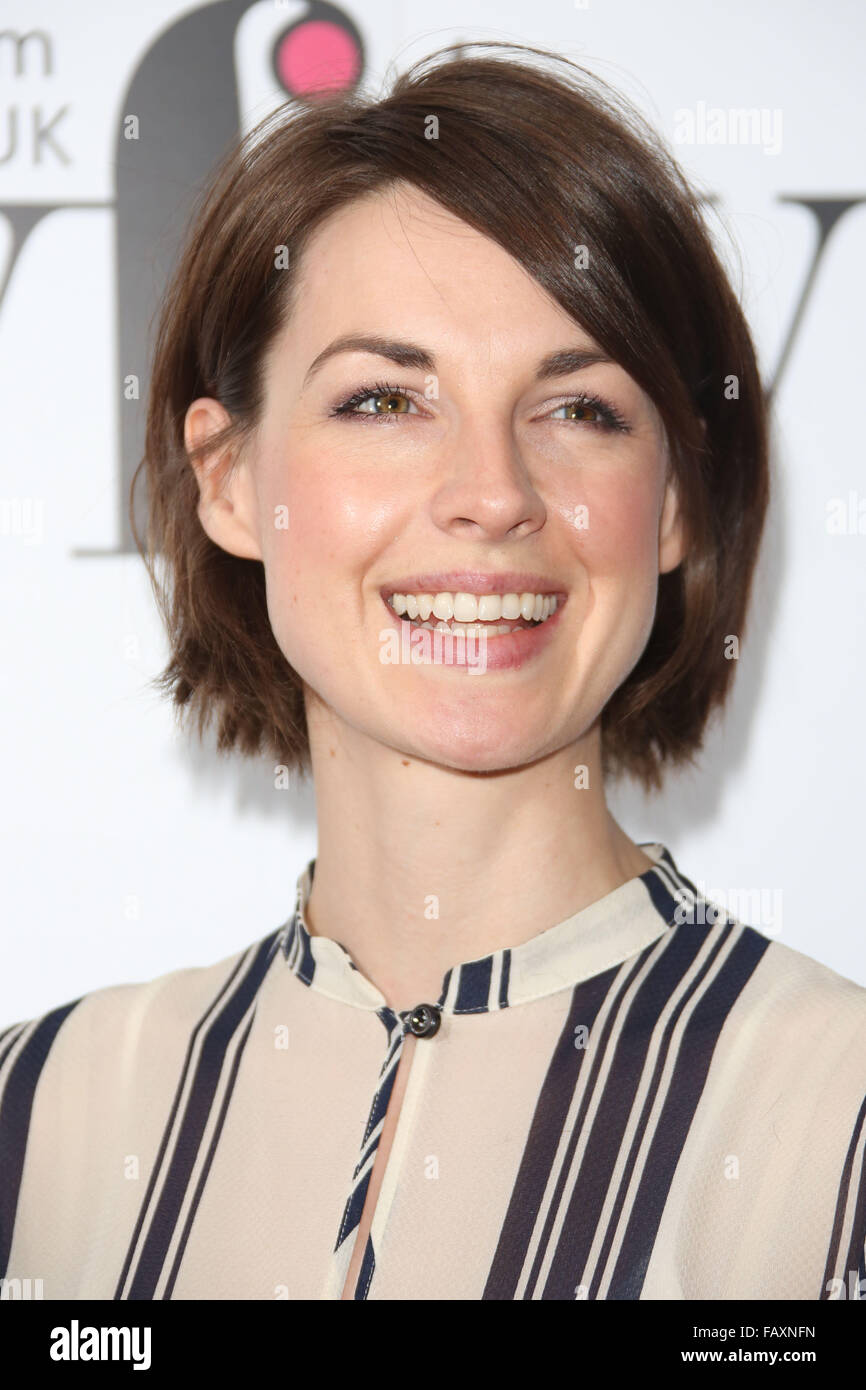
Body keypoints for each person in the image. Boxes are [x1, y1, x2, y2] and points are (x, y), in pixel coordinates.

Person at [1, 40, 864, 1302]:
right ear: (230, 476)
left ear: (676, 503)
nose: (491, 496)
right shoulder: (38, 1124)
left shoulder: (834, 1113)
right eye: (383, 402)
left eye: (581, 410)